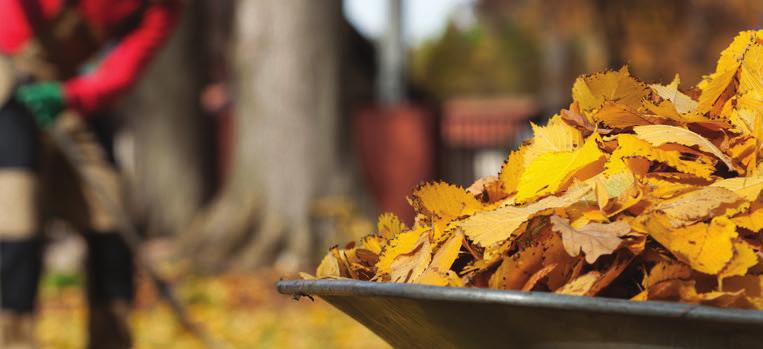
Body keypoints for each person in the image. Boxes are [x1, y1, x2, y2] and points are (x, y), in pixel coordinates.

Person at [0, 0, 182, 348]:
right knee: (14, 218)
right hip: (7, 73)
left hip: (70, 89)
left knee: (110, 214)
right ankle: (12, 339)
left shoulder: (162, 6)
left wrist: (70, 95)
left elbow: (125, 66)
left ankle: (111, 337)